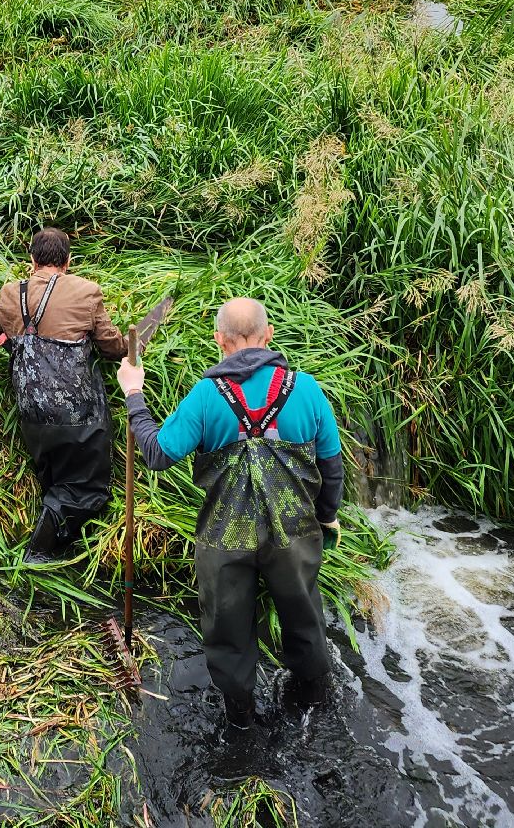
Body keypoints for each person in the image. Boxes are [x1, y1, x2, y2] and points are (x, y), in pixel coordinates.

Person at [117, 297, 343, 729]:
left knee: (227, 630)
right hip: (294, 534)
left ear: (218, 339)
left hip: (225, 538)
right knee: (304, 618)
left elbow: (157, 453)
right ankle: (313, 704)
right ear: (269, 335)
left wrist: (134, 393)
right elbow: (331, 466)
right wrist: (326, 515)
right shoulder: (307, 389)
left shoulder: (206, 397)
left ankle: (241, 720)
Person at [0, 229, 126, 563]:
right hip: (76, 413)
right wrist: (134, 345)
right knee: (89, 488)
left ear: (32, 260)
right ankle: (39, 551)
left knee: (55, 477)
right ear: (68, 261)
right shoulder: (87, 291)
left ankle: (54, 533)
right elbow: (112, 348)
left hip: (31, 412)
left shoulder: (11, 292)